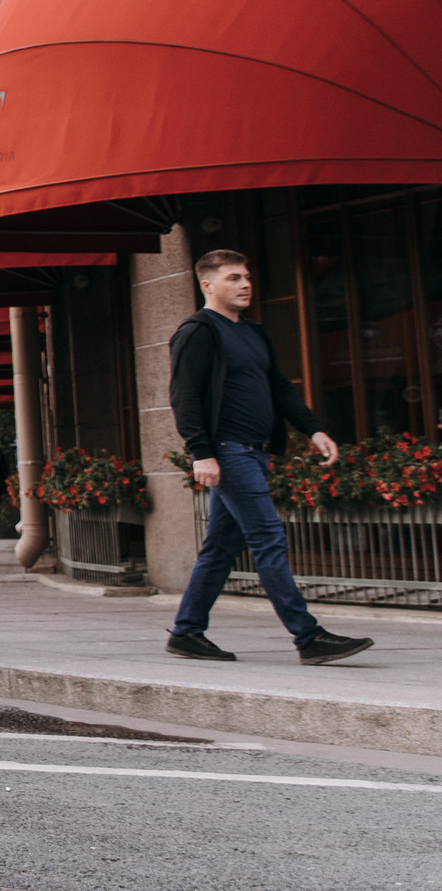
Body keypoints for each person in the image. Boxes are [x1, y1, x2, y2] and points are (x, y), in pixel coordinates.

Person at [167, 249, 373, 666]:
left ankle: (187, 632)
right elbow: (183, 395)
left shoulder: (254, 333)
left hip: (254, 452)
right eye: (233, 278)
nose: (245, 284)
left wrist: (313, 429)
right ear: (207, 285)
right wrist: (201, 453)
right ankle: (308, 637)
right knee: (269, 538)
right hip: (229, 451)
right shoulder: (198, 331)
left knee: (221, 548)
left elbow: (279, 388)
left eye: (246, 277)